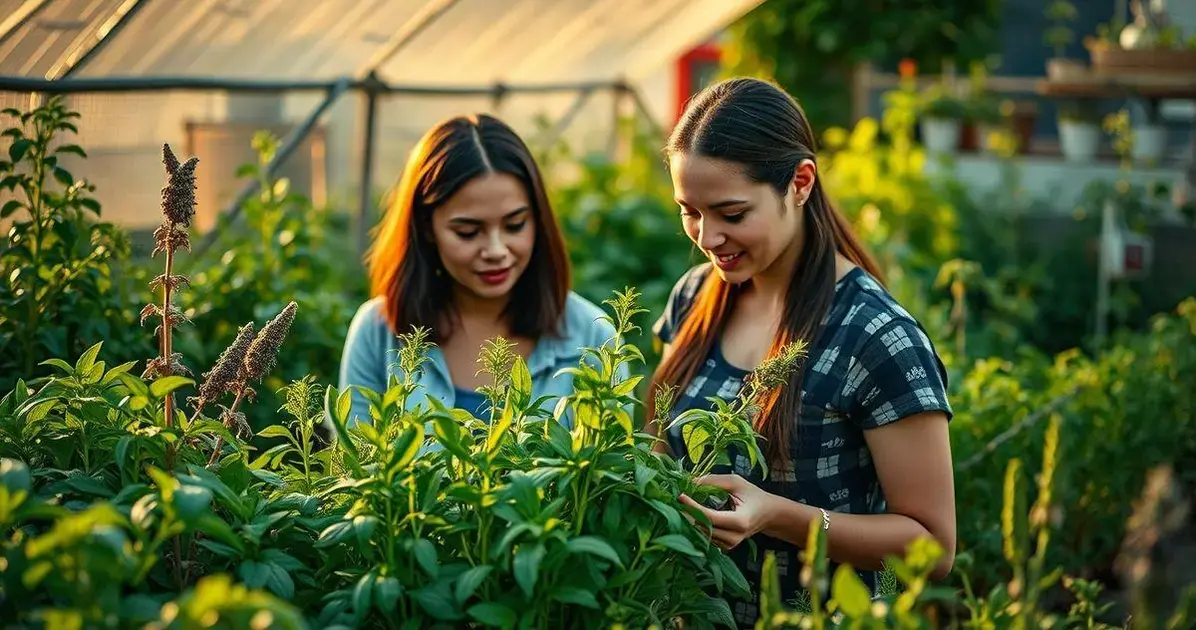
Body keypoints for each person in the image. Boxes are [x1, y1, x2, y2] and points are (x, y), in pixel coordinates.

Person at [646, 77, 956, 627]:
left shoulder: (875, 336)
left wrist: (779, 517)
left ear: (800, 183)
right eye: (689, 211)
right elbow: (659, 450)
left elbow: (932, 548)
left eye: (732, 214)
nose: (707, 237)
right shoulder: (694, 298)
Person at [339, 113, 617, 429]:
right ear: (426, 227)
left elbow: (610, 459)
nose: (496, 251)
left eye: (515, 225)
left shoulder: (594, 337)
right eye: (468, 232)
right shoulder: (379, 334)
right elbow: (355, 455)